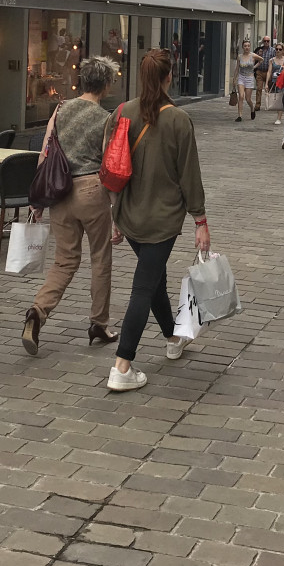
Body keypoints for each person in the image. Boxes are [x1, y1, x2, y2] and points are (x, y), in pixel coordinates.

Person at [107, 49, 210, 392]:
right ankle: (122, 364)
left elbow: (112, 166)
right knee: (144, 286)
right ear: (169, 78)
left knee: (154, 280)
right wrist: (201, 220)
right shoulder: (179, 120)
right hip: (163, 219)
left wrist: (114, 214)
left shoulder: (122, 112)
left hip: (131, 215)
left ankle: (172, 336)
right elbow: (189, 175)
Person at [23, 56, 119, 354]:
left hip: (59, 193)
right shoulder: (106, 119)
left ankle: (38, 311)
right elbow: (110, 165)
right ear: (105, 85)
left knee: (64, 261)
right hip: (92, 190)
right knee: (100, 258)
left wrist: (38, 199)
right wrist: (116, 212)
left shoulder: (61, 108)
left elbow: (46, 153)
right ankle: (99, 322)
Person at [233, 39, 259, 122]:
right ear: (242, 47)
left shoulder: (253, 55)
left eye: (248, 46)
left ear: (250, 47)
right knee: (241, 96)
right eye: (245, 46)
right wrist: (234, 78)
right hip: (241, 77)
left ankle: (252, 108)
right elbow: (237, 68)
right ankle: (240, 115)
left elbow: (261, 60)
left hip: (249, 78)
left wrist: (254, 67)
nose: (247, 47)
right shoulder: (240, 56)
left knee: (248, 99)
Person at [266, 43, 284, 127]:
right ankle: (281, 114)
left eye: (280, 49)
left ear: (283, 50)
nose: (278, 51)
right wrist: (266, 83)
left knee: (281, 99)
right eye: (276, 49)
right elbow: (269, 71)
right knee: (275, 98)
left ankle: (279, 117)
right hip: (274, 81)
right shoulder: (271, 60)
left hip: (283, 82)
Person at [253, 37, 273, 114]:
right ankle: (257, 105)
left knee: (269, 89)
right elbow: (254, 59)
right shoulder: (259, 49)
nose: (266, 42)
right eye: (265, 41)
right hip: (260, 72)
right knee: (259, 88)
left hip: (268, 72)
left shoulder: (273, 50)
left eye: (268, 41)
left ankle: (269, 104)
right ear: (263, 41)